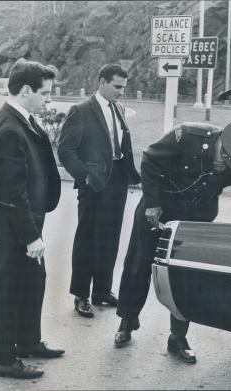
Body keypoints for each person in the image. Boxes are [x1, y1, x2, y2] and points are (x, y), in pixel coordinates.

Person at [114, 120, 231, 363]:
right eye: (225, 163)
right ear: (223, 148)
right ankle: (127, 323)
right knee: (138, 265)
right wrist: (152, 203)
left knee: (186, 276)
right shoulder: (187, 136)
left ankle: (177, 338)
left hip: (196, 218)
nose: (223, 169)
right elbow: (150, 160)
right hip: (159, 208)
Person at [0, 58, 64, 379]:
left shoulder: (23, 120)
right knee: (7, 289)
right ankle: (3, 359)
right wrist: (31, 236)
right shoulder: (8, 128)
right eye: (45, 93)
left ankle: (27, 341)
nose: (49, 99)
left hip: (28, 221)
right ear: (26, 90)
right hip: (15, 228)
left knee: (32, 283)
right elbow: (12, 192)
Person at [58, 64, 140, 318]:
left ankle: (102, 291)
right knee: (88, 238)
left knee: (110, 237)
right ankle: (81, 295)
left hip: (117, 180)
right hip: (93, 183)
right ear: (102, 82)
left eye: (124, 88)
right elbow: (65, 150)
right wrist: (85, 177)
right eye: (117, 87)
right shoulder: (81, 111)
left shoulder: (118, 108)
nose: (121, 92)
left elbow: (121, 143)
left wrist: (130, 174)